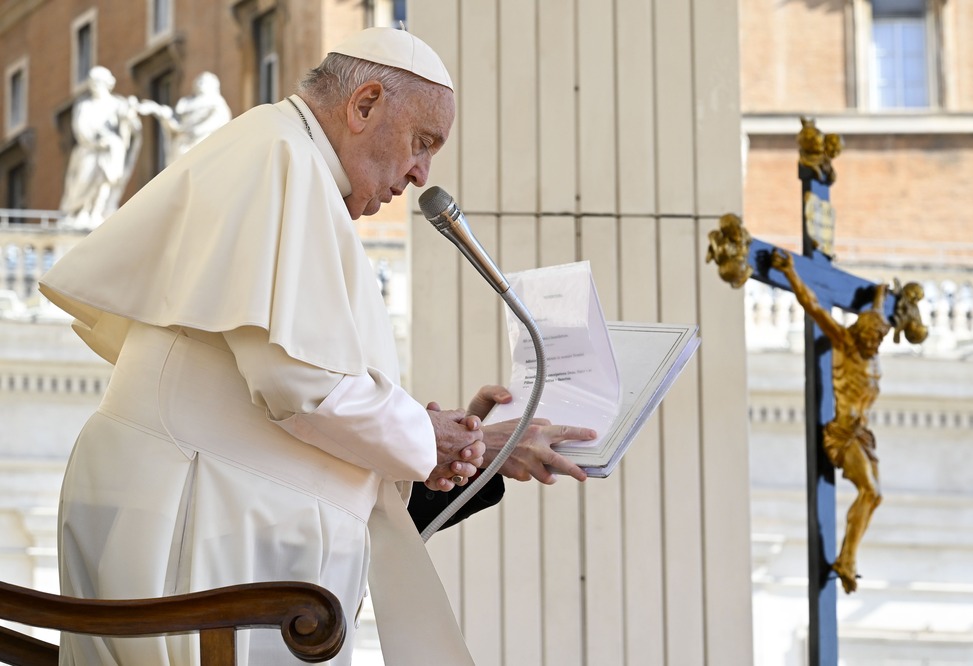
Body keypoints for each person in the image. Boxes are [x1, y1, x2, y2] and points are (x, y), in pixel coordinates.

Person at [40, 28, 593, 665]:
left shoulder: (289, 159)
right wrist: (423, 434)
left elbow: (288, 385)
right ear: (364, 105)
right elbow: (298, 384)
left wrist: (449, 440)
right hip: (185, 517)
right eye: (422, 143)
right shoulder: (280, 156)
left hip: (194, 508)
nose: (420, 175)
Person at [771, 248, 890, 593]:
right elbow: (814, 305)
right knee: (870, 490)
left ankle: (848, 556)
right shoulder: (844, 342)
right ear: (861, 331)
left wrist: (880, 295)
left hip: (862, 434)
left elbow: (879, 313)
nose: (875, 342)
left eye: (879, 338)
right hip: (841, 434)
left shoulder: (871, 352)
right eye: (872, 336)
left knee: (875, 497)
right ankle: (846, 559)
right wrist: (792, 273)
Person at [60, 66, 146, 230]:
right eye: (93, 82)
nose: (95, 86)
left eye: (98, 82)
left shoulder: (118, 104)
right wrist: (97, 141)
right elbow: (81, 129)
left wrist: (129, 116)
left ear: (107, 83)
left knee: (106, 180)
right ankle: (81, 211)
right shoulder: (84, 106)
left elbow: (130, 126)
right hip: (89, 150)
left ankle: (98, 212)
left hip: (112, 151)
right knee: (83, 182)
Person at [147, 72, 233, 165]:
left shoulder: (216, 102)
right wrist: (161, 112)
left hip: (202, 142)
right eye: (199, 80)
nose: (200, 83)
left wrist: (197, 130)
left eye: (204, 81)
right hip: (182, 144)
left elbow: (218, 118)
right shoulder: (186, 102)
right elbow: (176, 121)